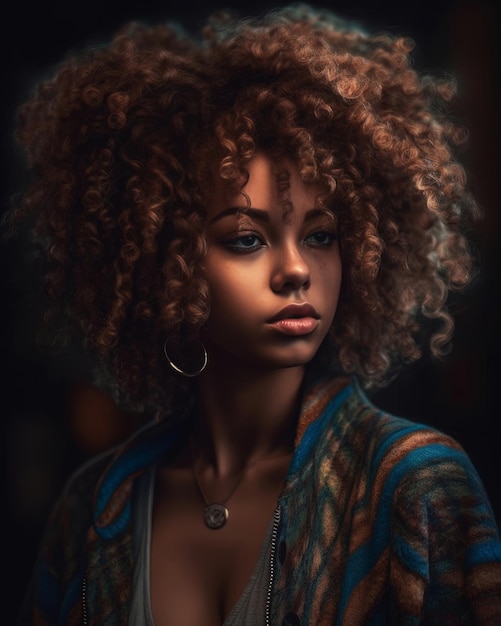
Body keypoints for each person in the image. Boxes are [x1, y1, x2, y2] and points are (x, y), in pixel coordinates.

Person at [6, 3, 501, 624]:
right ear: (166, 263)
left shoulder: (413, 484)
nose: (295, 270)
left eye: (321, 235)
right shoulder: (93, 509)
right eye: (247, 239)